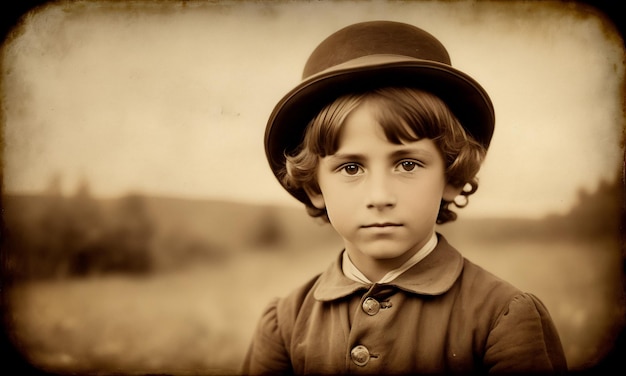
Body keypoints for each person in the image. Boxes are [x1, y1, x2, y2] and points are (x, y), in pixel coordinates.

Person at [242, 20, 567, 375]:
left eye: (407, 164)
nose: (380, 196)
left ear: (452, 178)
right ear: (315, 188)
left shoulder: (504, 317)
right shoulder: (285, 324)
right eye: (351, 168)